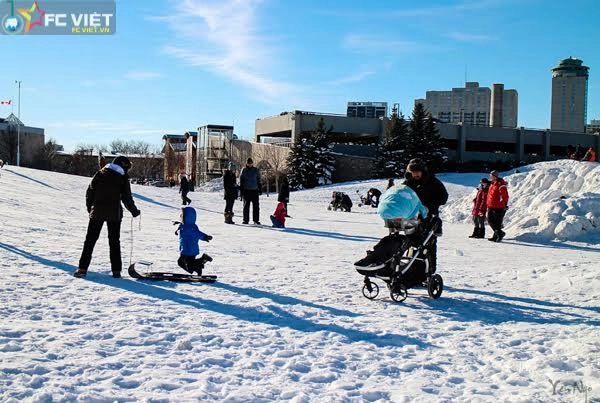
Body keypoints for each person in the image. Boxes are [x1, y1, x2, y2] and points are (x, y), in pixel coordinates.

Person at [74, 156, 140, 278]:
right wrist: (134, 211)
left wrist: (91, 209)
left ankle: (82, 268)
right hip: (114, 214)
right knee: (114, 242)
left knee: (90, 241)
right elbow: (127, 198)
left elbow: (90, 192)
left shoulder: (100, 173)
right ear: (123, 166)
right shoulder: (122, 177)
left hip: (97, 212)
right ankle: (116, 271)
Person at [354, 184, 429, 268]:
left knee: (393, 237)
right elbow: (423, 211)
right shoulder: (415, 197)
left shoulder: (398, 190)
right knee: (411, 237)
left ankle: (389, 249)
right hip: (403, 214)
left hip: (385, 212)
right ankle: (401, 252)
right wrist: (425, 216)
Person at [403, 158, 448, 271]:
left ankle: (429, 271)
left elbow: (443, 197)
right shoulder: (408, 183)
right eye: (413, 171)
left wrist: (430, 206)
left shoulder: (433, 182)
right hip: (411, 218)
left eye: (418, 171)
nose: (416, 174)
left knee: (429, 245)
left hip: (429, 218)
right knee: (411, 243)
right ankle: (412, 269)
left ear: (423, 171)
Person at [176, 206, 213, 275]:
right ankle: (197, 268)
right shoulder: (184, 226)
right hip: (185, 249)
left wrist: (205, 237)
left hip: (190, 250)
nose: (180, 216)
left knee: (188, 265)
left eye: (182, 216)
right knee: (181, 262)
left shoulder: (191, 228)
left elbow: (198, 234)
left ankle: (203, 259)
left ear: (187, 217)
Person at [486, 170, 509, 242]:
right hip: (490, 205)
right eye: (490, 176)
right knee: (490, 220)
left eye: (492, 176)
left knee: (497, 222)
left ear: (495, 176)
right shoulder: (492, 184)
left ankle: (497, 235)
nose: (490, 177)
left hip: (498, 206)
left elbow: (505, 196)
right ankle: (499, 233)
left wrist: (504, 204)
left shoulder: (501, 184)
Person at [240, 158, 261, 225]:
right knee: (246, 206)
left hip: (254, 190)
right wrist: (241, 190)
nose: (250, 164)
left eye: (251, 163)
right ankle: (245, 220)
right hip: (246, 190)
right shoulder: (244, 170)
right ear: (246, 163)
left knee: (256, 206)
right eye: (248, 163)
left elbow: (258, 179)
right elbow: (241, 180)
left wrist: (260, 188)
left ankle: (256, 220)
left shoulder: (256, 170)